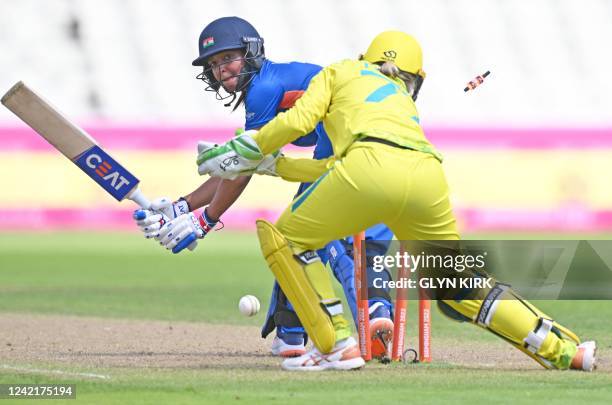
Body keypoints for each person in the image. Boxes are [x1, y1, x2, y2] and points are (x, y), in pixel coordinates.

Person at [184, 30, 597, 372]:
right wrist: (279, 168)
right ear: (416, 76)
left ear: (367, 56)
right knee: (454, 284)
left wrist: (247, 148)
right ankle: (566, 350)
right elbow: (343, 169)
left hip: (367, 167)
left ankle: (337, 344)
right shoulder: (403, 101)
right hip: (427, 177)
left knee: (286, 239)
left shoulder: (344, 70)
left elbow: (298, 123)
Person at [133, 17, 395, 359]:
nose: (221, 70)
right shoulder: (269, 88)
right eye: (213, 65)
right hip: (349, 140)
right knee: (291, 235)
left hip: (355, 135)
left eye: (228, 58)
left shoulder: (263, 89)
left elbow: (242, 167)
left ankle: (369, 316)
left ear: (252, 51)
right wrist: (182, 207)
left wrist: (205, 221)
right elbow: (240, 165)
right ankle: (293, 333)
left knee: (315, 232)